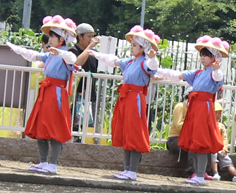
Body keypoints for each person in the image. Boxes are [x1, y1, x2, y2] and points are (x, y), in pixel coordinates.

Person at [9, 15, 94, 175]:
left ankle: (53, 163)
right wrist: (16, 49)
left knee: (55, 128)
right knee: (41, 127)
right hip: (46, 93)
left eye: (52, 37)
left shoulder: (64, 55)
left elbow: (72, 59)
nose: (50, 39)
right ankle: (42, 161)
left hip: (57, 95)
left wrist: (59, 53)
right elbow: (32, 55)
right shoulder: (49, 54)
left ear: (61, 39)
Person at [86, 25, 161, 181]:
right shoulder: (130, 62)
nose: (131, 48)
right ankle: (127, 169)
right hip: (126, 99)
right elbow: (113, 61)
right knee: (126, 132)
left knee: (134, 132)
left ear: (142, 48)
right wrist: (96, 54)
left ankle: (132, 170)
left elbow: (153, 66)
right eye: (132, 45)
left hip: (136, 100)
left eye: (134, 45)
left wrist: (152, 57)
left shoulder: (145, 63)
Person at [156, 35, 230, 185]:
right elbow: (177, 75)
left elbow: (218, 77)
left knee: (201, 143)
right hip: (195, 108)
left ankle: (201, 175)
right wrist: (156, 70)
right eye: (202, 55)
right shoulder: (198, 73)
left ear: (214, 57)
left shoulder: (216, 73)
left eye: (206, 55)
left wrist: (216, 69)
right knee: (195, 142)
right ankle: (198, 174)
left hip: (204, 108)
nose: (202, 58)